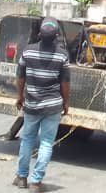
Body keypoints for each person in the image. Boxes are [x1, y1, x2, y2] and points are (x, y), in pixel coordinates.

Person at [14, 18, 70, 192]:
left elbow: (20, 76)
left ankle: (22, 177)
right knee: (46, 143)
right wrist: (66, 102)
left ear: (39, 34)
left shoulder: (28, 52)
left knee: (27, 140)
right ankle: (36, 182)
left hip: (32, 104)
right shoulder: (62, 55)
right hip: (53, 106)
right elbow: (65, 82)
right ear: (56, 37)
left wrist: (19, 97)